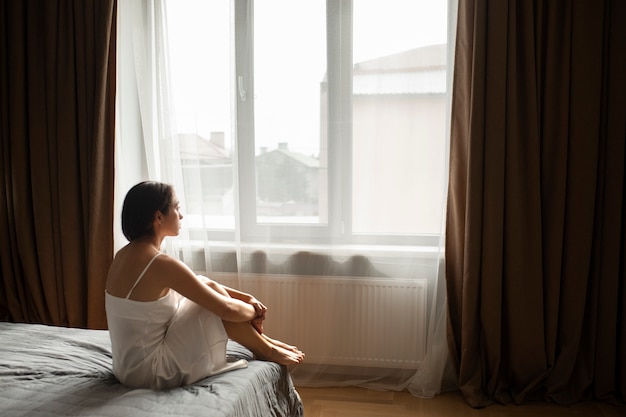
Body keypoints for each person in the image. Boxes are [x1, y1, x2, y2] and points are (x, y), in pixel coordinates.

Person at [105, 181, 304, 389]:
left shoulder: (125, 254)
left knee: (204, 284)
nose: (181, 216)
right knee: (212, 304)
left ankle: (265, 344)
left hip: (127, 369)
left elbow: (198, 283)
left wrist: (247, 299)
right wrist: (254, 311)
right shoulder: (159, 264)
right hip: (151, 373)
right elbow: (225, 310)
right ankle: (266, 349)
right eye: (177, 208)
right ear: (158, 217)